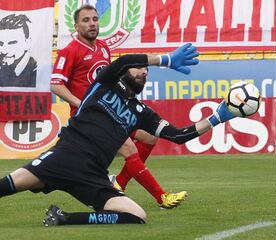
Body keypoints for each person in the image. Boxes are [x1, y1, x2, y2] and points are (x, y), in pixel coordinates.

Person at [0, 43, 236, 226]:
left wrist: (216, 118)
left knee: (137, 215)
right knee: (9, 185)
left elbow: (178, 135)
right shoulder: (104, 83)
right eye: (140, 68)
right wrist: (165, 60)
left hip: (94, 176)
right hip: (65, 157)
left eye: (146, 70)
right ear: (126, 71)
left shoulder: (142, 112)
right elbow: (124, 61)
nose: (144, 72)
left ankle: (64, 218)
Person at [51, 4, 183, 209]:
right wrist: (81, 103)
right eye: (86, 20)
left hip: (112, 109)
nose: (92, 24)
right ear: (76, 26)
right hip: (90, 117)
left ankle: (120, 182)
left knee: (150, 137)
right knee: (129, 147)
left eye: (95, 19)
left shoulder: (103, 47)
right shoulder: (70, 51)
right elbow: (56, 84)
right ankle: (162, 197)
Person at [0, 14, 37, 87]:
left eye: (12, 43)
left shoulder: (37, 70)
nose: (4, 51)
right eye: (0, 43)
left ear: (27, 43)